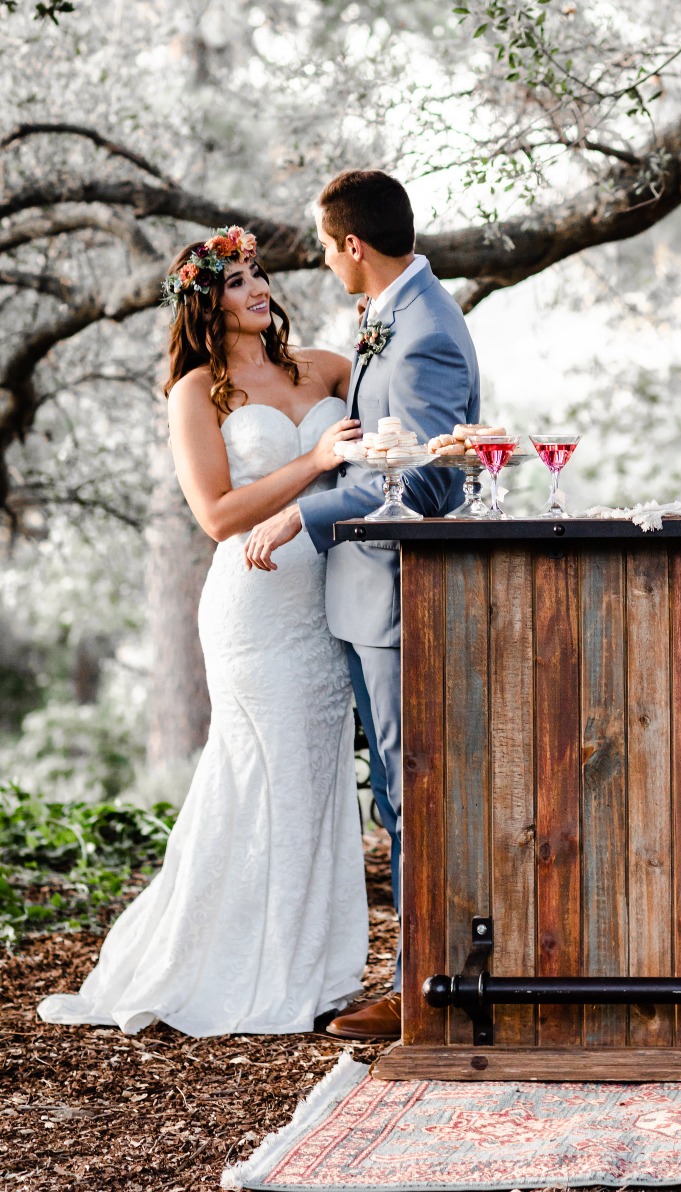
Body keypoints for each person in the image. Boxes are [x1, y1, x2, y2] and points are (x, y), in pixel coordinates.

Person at [38, 227, 369, 1036]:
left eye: (257, 274)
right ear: (202, 301)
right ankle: (251, 972)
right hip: (254, 608)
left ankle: (319, 968)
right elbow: (218, 516)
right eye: (235, 282)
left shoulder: (325, 367)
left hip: (327, 604)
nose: (257, 288)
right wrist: (315, 462)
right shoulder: (196, 393)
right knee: (266, 779)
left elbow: (388, 434)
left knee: (316, 782)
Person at [243, 170, 480, 1040]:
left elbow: (420, 482)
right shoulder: (391, 314)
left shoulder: (424, 332)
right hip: (359, 597)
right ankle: (417, 972)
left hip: (391, 595)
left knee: (410, 789)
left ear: (352, 245)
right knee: (392, 787)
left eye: (323, 244)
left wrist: (301, 509)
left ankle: (423, 990)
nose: (319, 261)